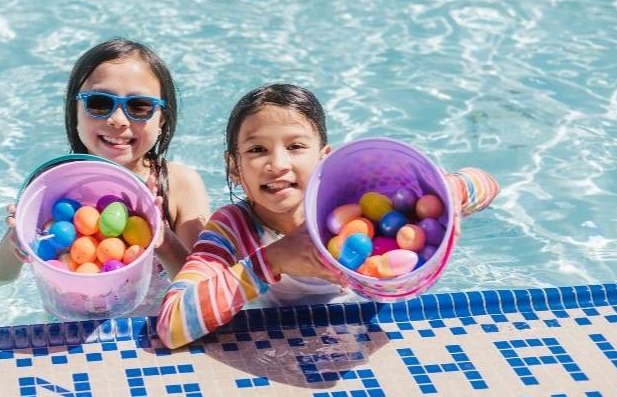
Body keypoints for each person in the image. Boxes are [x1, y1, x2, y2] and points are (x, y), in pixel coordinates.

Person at [156, 84, 499, 348]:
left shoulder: (356, 203)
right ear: (235, 167)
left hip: (371, 338)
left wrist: (451, 190)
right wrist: (270, 261)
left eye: (295, 147)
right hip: (281, 348)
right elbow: (171, 324)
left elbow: (488, 183)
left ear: (324, 158)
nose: (278, 164)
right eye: (257, 149)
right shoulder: (234, 227)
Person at [0, 39, 210, 299]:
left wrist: (162, 239)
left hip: (156, 331)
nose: (118, 120)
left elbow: (205, 290)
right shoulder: (52, 185)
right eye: (99, 103)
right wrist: (15, 241)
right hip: (69, 327)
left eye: (139, 106)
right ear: (74, 110)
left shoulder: (179, 184)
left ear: (162, 118)